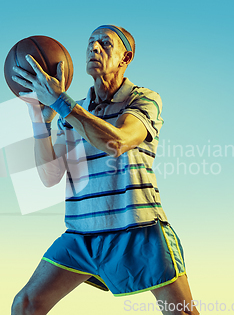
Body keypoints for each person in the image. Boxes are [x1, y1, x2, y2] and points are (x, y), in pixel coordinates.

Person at [10, 25, 200, 315]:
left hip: (137, 228)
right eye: (90, 43)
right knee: (26, 305)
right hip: (82, 235)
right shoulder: (70, 112)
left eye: (104, 43)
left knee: (180, 312)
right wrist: (41, 120)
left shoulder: (143, 99)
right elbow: (50, 177)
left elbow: (117, 141)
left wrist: (62, 103)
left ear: (126, 57)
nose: (94, 48)